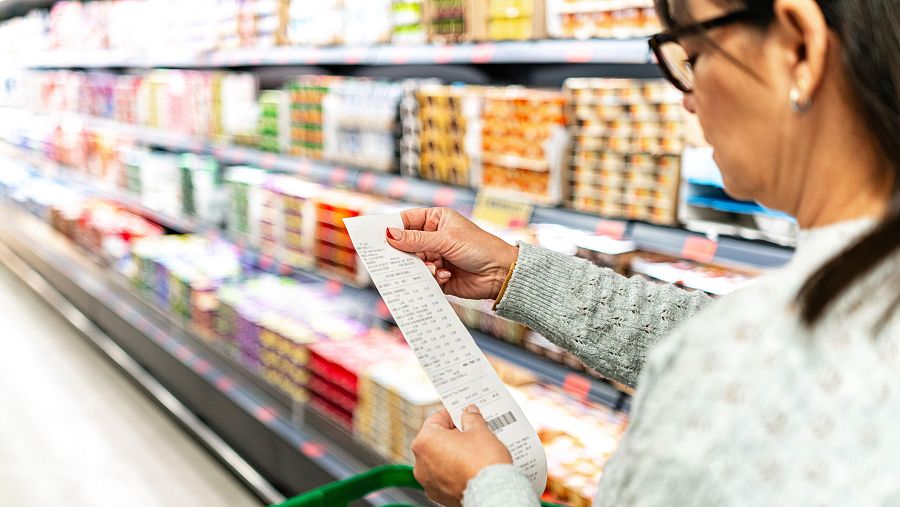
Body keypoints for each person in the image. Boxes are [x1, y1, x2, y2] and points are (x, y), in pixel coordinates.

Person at [385, 0, 900, 505]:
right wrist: (511, 272)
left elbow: (724, 349)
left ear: (799, 45)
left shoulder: (757, 345)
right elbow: (702, 331)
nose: (687, 99)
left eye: (694, 56)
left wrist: (487, 488)